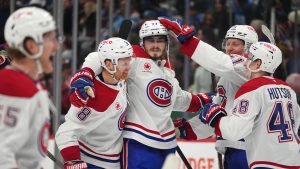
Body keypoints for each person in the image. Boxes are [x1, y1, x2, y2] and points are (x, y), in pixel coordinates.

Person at [68, 20, 211, 169]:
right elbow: (99, 57)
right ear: (143, 42)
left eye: (160, 40)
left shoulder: (168, 72)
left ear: (166, 43)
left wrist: (204, 100)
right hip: (139, 142)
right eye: (150, 40)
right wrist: (85, 74)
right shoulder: (134, 58)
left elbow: (176, 99)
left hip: (167, 144)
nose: (155, 45)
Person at [158, 17, 258, 168]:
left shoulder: (248, 69)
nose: (229, 48)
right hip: (234, 148)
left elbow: (219, 61)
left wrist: (189, 41)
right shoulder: (228, 78)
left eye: (236, 44)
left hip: (248, 150)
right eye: (228, 43)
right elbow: (215, 114)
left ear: (249, 48)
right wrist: (186, 130)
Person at [199, 42, 300, 169]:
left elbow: (235, 131)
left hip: (267, 163)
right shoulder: (288, 89)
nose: (246, 62)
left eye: (250, 58)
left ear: (257, 64)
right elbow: (295, 126)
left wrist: (216, 119)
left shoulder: (252, 87)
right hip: (294, 161)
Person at [55, 37, 133, 169]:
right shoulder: (93, 97)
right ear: (109, 65)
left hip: (115, 159)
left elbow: (96, 56)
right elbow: (65, 132)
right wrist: (73, 160)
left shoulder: (118, 76)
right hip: (94, 161)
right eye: (124, 62)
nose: (129, 66)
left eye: (128, 60)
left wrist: (86, 71)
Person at [0, 7, 58, 169]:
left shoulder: (32, 85)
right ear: (31, 46)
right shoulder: (14, 87)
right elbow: (2, 156)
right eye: (50, 40)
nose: (56, 47)